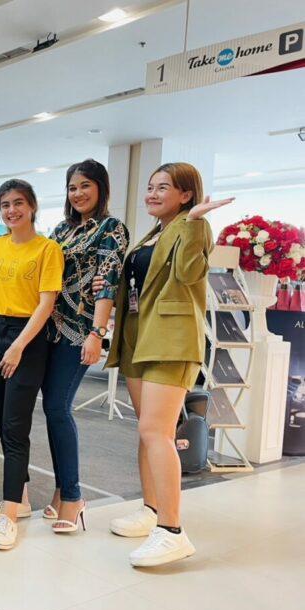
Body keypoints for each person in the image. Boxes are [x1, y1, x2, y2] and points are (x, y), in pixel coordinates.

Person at [100, 162, 233, 567]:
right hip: (139, 337)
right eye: (150, 187)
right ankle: (152, 509)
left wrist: (193, 223)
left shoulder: (193, 227)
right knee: (147, 432)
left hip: (171, 340)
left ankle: (172, 531)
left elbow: (190, 274)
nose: (152, 194)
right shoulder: (154, 232)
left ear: (186, 194)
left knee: (155, 431)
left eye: (163, 188)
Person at [0, 179, 64, 550]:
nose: (11, 210)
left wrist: (19, 346)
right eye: (5, 205)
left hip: (28, 338)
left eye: (18, 203)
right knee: (4, 423)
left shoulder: (48, 249)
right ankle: (21, 499)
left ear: (32, 206)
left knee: (16, 427)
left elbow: (46, 303)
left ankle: (9, 517)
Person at [37, 160, 129, 533]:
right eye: (72, 187)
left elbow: (107, 283)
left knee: (58, 407)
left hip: (79, 331)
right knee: (51, 409)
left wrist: (97, 333)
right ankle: (61, 491)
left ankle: (74, 496)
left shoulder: (111, 228)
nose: (78, 193)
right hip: (47, 328)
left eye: (85, 185)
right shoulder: (61, 229)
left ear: (101, 187)